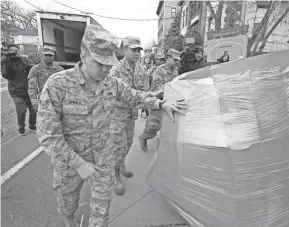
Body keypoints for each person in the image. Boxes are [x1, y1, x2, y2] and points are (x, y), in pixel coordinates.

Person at [37, 25, 187, 227]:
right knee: (67, 205)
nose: (106, 69)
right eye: (100, 64)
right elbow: (48, 135)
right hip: (69, 164)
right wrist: (79, 164)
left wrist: (161, 104)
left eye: (109, 64)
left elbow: (134, 96)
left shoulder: (111, 83)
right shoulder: (57, 85)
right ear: (84, 54)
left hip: (103, 159)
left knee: (101, 211)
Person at [139, 48, 181, 152]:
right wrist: (171, 90)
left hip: (171, 102)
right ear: (169, 58)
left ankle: (164, 147)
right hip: (159, 102)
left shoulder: (175, 71)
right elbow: (157, 88)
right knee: (153, 126)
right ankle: (143, 137)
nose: (177, 62)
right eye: (175, 60)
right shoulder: (159, 70)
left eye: (178, 60)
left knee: (170, 125)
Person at [1, 44, 36, 135]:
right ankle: (21, 127)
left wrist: (22, 61)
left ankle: (32, 125)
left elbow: (33, 69)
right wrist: (7, 63)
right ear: (8, 52)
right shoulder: (4, 61)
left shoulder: (23, 59)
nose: (14, 52)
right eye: (11, 51)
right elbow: (7, 75)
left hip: (27, 89)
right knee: (22, 110)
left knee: (33, 109)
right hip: (16, 90)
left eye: (16, 50)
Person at [28, 46, 64, 112]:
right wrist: (34, 103)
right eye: (46, 55)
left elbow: (64, 86)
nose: (48, 57)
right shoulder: (35, 69)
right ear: (42, 56)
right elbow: (32, 88)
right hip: (44, 101)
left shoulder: (59, 69)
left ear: (53, 56)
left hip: (58, 101)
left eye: (50, 55)